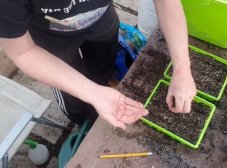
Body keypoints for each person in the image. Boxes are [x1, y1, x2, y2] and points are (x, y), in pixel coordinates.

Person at [0, 0, 196, 129]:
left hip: (101, 22)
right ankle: (84, 122)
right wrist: (91, 93)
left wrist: (182, 68)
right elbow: (23, 51)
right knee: (74, 100)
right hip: (49, 39)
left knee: (103, 66)